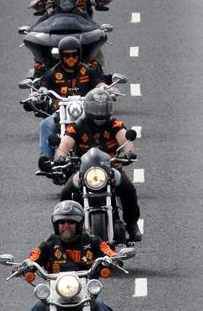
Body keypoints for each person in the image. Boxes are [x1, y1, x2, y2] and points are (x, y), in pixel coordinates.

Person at [21, 200, 122, 311]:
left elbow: (108, 252)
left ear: (79, 224)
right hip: (56, 291)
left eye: (70, 222)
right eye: (61, 222)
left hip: (85, 290)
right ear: (56, 225)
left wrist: (113, 259)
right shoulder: (49, 243)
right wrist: (25, 266)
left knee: (99, 305)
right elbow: (33, 257)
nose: (65, 226)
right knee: (37, 307)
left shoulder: (93, 241)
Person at [54, 89, 141, 242]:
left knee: (128, 189)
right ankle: (62, 232)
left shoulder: (115, 124)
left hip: (112, 169)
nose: (100, 113)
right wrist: (61, 156)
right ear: (87, 108)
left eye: (103, 109)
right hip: (83, 170)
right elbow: (66, 143)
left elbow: (125, 141)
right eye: (96, 109)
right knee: (66, 193)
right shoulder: (77, 125)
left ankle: (132, 224)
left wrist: (128, 152)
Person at [34, 37, 108, 165]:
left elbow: (99, 83)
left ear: (79, 54)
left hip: (87, 112)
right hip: (60, 113)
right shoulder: (52, 73)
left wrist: (105, 88)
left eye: (74, 55)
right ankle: (46, 159)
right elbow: (43, 87)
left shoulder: (88, 71)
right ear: (61, 56)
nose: (71, 59)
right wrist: (38, 94)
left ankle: (110, 155)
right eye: (67, 55)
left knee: (105, 122)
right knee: (45, 124)